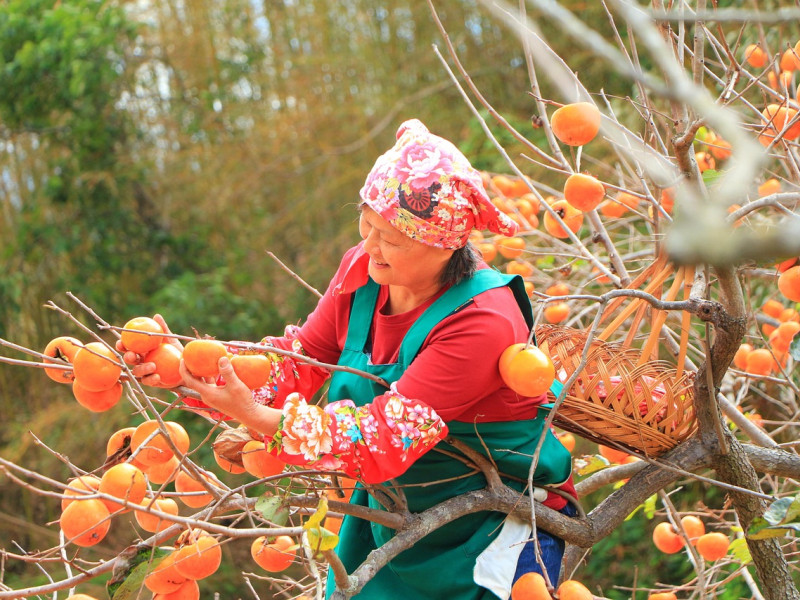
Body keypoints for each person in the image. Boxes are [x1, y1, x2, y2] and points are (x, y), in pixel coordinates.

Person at [124, 119, 577, 600]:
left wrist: (255, 417)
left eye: (392, 238)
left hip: (496, 524)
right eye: (367, 224)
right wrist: (194, 375)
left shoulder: (481, 320)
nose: (370, 246)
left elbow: (381, 440)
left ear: (444, 244)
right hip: (399, 520)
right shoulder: (362, 272)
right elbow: (297, 363)